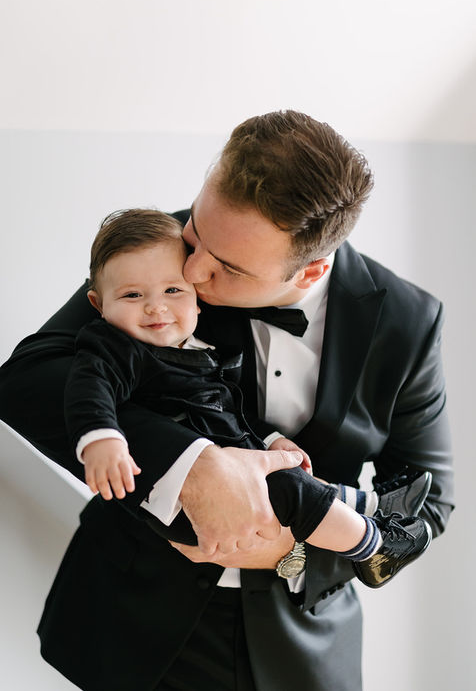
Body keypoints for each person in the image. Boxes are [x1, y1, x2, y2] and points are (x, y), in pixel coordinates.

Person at [0, 111, 454, 691]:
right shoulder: (158, 252)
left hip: (303, 641)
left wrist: (290, 550)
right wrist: (193, 464)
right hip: (130, 619)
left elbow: (428, 501)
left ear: (310, 270)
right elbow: (28, 379)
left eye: (228, 268)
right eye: (196, 233)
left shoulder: (408, 320)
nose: (191, 271)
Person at [64, 207, 431, 585]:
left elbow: (231, 409)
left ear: (195, 298)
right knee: (287, 490)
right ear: (98, 304)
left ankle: (371, 506)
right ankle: (372, 547)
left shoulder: (200, 350)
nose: (156, 306)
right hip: (173, 521)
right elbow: (88, 389)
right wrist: (101, 438)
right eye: (132, 295)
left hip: (284, 589)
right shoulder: (114, 348)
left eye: (173, 291)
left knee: (290, 475)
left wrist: (270, 439)